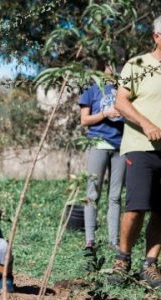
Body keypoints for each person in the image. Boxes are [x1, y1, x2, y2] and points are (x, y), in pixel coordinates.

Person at [109, 16, 161, 288]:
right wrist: (147, 123)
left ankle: (150, 265)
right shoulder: (138, 64)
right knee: (136, 207)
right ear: (156, 37)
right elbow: (120, 101)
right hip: (140, 147)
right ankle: (122, 259)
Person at [78, 62, 125, 258]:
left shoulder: (124, 89)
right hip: (98, 144)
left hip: (121, 146)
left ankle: (114, 241)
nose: (112, 69)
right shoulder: (91, 89)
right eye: (109, 65)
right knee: (92, 194)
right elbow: (84, 120)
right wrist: (105, 113)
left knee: (115, 196)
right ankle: (90, 240)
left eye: (116, 65)